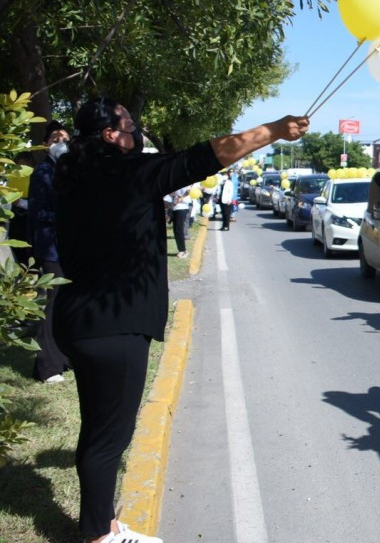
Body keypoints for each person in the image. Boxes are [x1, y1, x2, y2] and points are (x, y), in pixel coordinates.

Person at [53, 96, 308, 543]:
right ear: (111, 135)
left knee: (98, 431)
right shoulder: (131, 175)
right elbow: (206, 156)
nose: (138, 132)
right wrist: (273, 130)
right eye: (130, 125)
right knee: (109, 438)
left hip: (80, 320)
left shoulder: (74, 176)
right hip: (116, 326)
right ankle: (98, 535)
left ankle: (105, 524)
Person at [26, 120, 72, 383]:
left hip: (69, 246)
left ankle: (63, 357)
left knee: (67, 302)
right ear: (45, 145)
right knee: (51, 303)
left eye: (64, 138)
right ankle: (46, 366)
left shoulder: (69, 171)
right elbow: (39, 213)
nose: (60, 143)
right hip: (51, 248)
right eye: (55, 138)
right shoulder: (42, 173)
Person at [168, 187, 192, 257]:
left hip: (182, 207)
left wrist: (181, 198)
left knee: (178, 230)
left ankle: (183, 250)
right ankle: (181, 250)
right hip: (175, 207)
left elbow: (188, 191)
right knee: (176, 230)